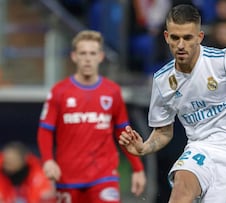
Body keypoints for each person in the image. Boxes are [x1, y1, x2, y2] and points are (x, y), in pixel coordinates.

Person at [119, 4, 226, 203]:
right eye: (175, 38)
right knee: (180, 193)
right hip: (199, 148)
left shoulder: (223, 61)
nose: (181, 45)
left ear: (199, 37)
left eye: (188, 38)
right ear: (166, 37)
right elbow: (163, 131)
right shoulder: (162, 80)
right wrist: (144, 147)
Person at [37, 30, 146, 203]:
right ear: (74, 56)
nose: (88, 58)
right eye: (83, 53)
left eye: (92, 53)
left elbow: (123, 133)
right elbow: (45, 130)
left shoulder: (112, 92)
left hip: (103, 175)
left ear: (101, 56)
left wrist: (138, 168)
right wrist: (48, 161)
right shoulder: (59, 92)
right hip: (68, 177)